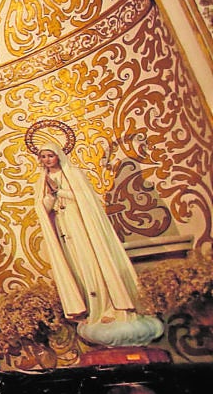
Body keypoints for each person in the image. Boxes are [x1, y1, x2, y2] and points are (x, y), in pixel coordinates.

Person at [30, 127, 163, 347]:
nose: (47, 160)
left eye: (50, 155)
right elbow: (43, 208)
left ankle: (115, 305)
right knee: (81, 268)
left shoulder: (73, 173)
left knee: (96, 262)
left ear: (58, 155)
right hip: (65, 230)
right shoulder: (41, 180)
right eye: (43, 156)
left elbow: (84, 199)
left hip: (83, 227)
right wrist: (49, 197)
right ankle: (97, 311)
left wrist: (58, 191)